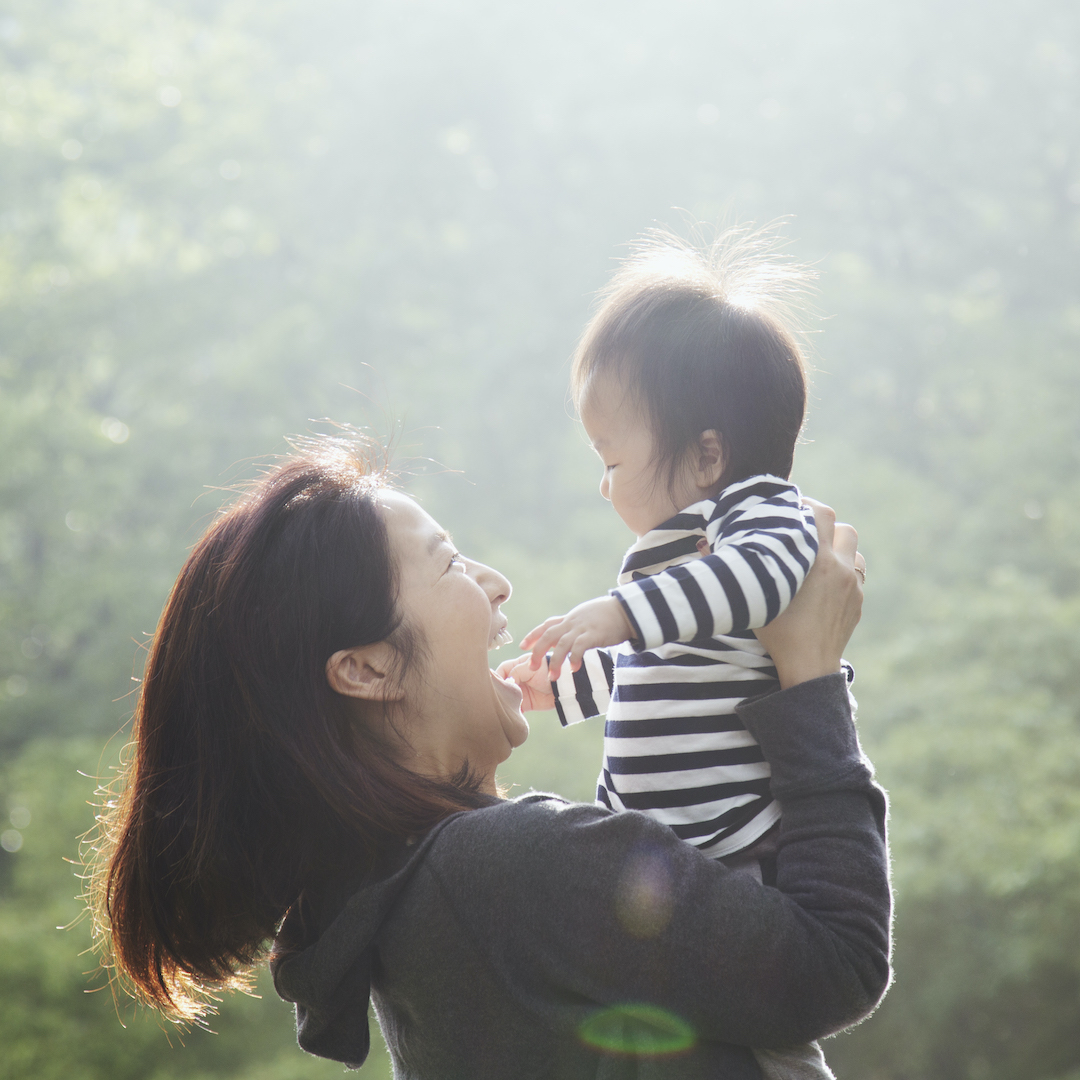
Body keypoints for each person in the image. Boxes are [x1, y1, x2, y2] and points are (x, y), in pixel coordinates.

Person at [88, 439, 890, 1080]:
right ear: (366, 670)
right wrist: (809, 678)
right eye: (449, 564)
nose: (497, 584)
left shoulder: (400, 898)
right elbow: (837, 963)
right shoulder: (509, 866)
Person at [501, 228, 860, 1078]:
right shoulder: (680, 558)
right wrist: (569, 685)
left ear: (707, 453)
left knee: (767, 1044)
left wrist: (620, 611)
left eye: (613, 457)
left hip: (739, 849)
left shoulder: (763, 517)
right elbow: (664, 671)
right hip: (670, 845)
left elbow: (759, 586)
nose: (605, 483)